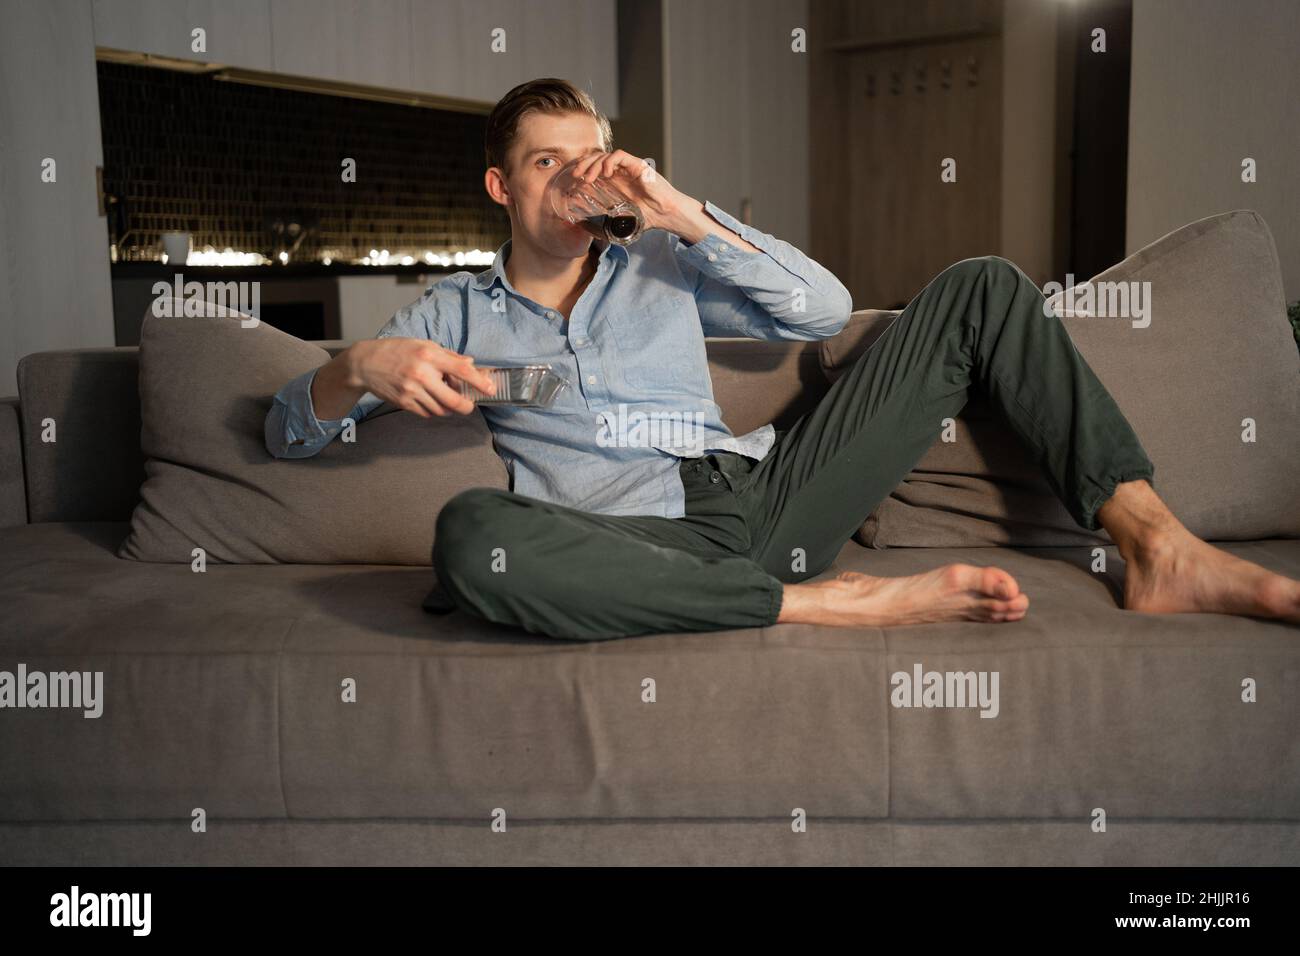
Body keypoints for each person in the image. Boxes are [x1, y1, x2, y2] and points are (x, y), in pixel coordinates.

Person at [266, 78, 1300, 641]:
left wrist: (676, 209)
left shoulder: (663, 259)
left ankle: (1157, 546)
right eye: (547, 163)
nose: (574, 182)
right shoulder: (452, 312)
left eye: (586, 160)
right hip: (633, 546)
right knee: (469, 533)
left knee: (984, 282)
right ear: (500, 187)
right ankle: (820, 604)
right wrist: (358, 366)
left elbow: (824, 310)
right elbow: (284, 428)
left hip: (768, 497)